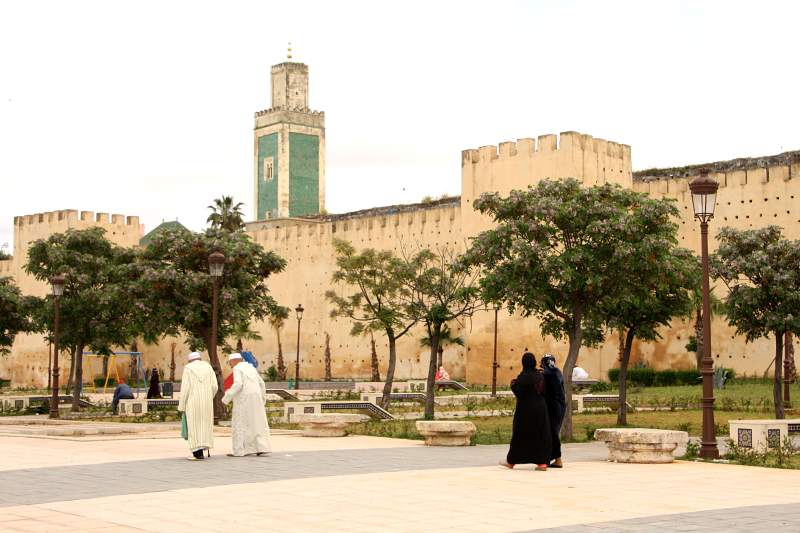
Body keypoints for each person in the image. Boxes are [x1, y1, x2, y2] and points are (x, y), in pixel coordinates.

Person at [500, 352, 552, 471]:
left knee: (520, 434)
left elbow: (520, 393)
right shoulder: (540, 376)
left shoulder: (522, 377)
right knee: (541, 434)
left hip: (525, 410)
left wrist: (512, 385)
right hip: (540, 408)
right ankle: (542, 463)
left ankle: (511, 461)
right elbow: (544, 391)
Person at [222, 352, 271, 457]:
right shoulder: (251, 367)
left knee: (240, 422)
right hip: (256, 398)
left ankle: (240, 451)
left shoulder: (237, 368)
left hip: (244, 399)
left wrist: (226, 398)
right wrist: (262, 399)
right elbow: (261, 383)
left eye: (230, 363)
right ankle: (260, 447)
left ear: (234, 361)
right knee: (256, 422)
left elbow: (238, 384)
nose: (230, 366)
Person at [177, 351, 218, 461]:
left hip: (192, 402)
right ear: (200, 359)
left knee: (194, 426)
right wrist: (209, 397)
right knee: (205, 425)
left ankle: (197, 453)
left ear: (190, 360)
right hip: (207, 402)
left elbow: (185, 389)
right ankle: (203, 448)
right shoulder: (208, 368)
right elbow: (215, 386)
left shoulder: (188, 368)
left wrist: (181, 406)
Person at [541, 353, 566, 468]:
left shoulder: (546, 373)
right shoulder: (557, 371)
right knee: (553, 431)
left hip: (553, 406)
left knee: (552, 432)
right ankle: (553, 458)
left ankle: (557, 459)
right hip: (560, 405)